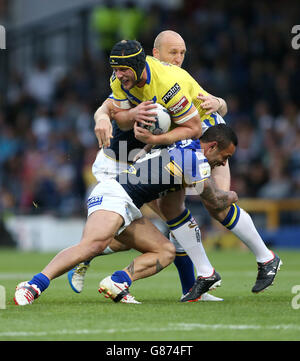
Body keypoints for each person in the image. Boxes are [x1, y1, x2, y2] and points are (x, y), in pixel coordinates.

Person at [70, 34, 282, 299]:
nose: (178, 60)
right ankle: (199, 282)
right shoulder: (128, 77)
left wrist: (218, 104)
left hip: (202, 135)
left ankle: (262, 259)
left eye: (182, 53)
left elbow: (207, 112)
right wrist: (105, 117)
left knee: (213, 205)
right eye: (173, 53)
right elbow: (111, 110)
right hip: (140, 152)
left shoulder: (169, 82)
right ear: (154, 55)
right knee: (171, 211)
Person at [14, 124, 239, 306]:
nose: (223, 163)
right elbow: (215, 201)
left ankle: (118, 281)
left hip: (130, 205)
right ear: (212, 146)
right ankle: (33, 285)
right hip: (115, 193)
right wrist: (232, 195)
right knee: (92, 244)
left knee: (165, 251)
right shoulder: (197, 161)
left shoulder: (184, 146)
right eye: (225, 156)